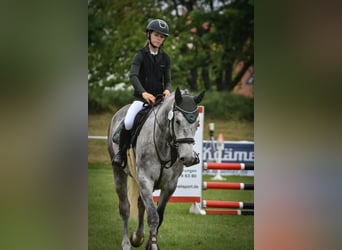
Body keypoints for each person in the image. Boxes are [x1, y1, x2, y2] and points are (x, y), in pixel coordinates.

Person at [112, 19, 171, 166]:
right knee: (129, 121)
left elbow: (168, 80)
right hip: (141, 100)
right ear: (149, 35)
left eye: (162, 36)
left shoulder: (165, 58)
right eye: (157, 35)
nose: (159, 38)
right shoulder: (140, 55)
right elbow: (133, 76)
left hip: (159, 101)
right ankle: (121, 154)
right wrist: (144, 93)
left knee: (173, 122)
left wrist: (167, 90)